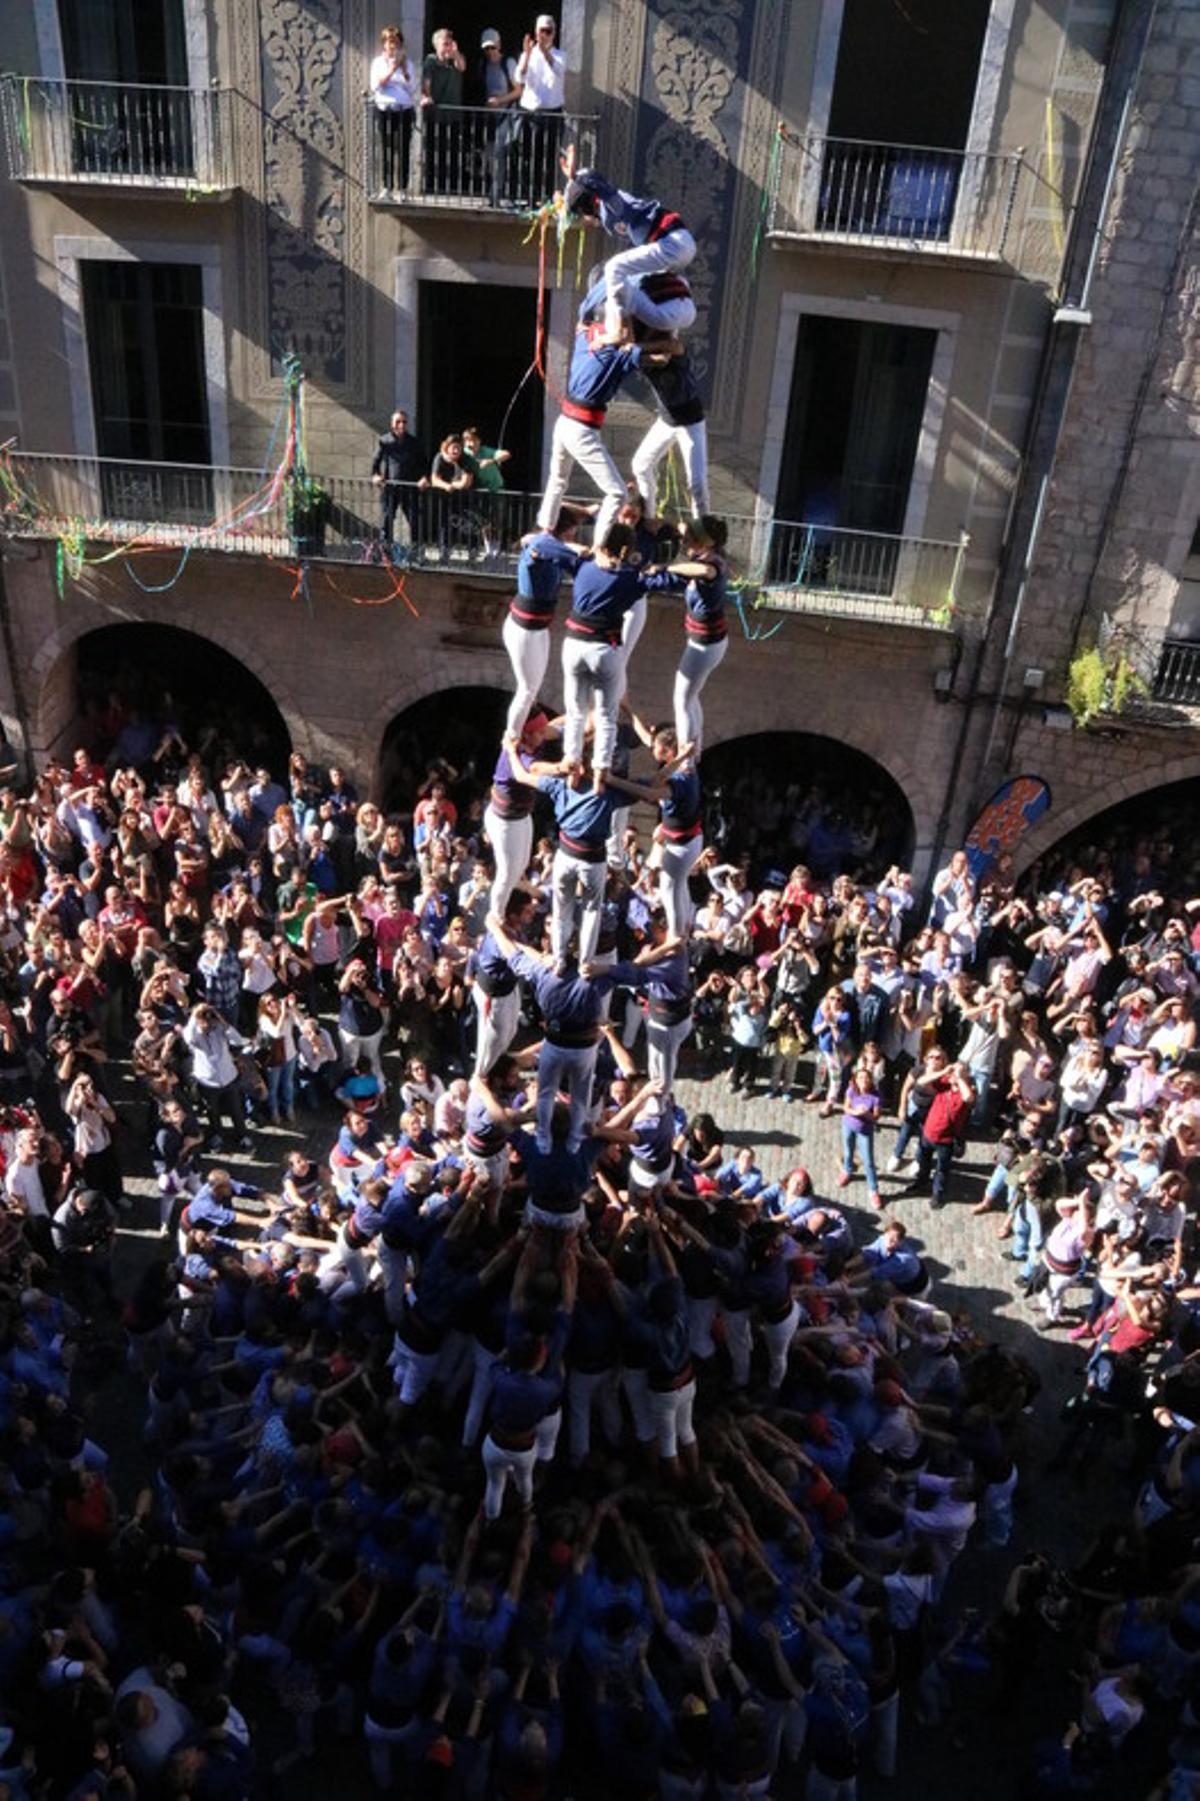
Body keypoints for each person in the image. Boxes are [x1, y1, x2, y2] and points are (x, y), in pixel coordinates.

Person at [537, 317, 682, 543]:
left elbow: (586, 324)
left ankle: (545, 527)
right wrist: (659, 342)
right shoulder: (617, 356)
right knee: (616, 493)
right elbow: (662, 359)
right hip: (581, 428)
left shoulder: (587, 340)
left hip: (564, 421)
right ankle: (599, 546)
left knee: (558, 479)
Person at [563, 165, 698, 340]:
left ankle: (617, 324)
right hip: (675, 243)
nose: (584, 220)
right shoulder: (607, 215)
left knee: (613, 268)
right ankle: (671, 323)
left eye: (581, 214)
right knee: (646, 278)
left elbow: (606, 191)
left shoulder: (611, 204)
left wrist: (578, 178)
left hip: (671, 243)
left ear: (585, 207)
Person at [503, 509, 586, 737]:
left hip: (538, 628)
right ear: (563, 531)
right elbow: (568, 552)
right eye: (571, 533)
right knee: (527, 690)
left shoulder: (547, 545)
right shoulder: (540, 545)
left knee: (533, 689)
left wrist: (585, 511)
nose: (573, 537)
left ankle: (522, 733)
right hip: (523, 629)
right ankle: (511, 738)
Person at [667, 515, 730, 757]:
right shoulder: (708, 553)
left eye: (691, 540)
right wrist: (668, 521)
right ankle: (697, 750)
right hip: (707, 641)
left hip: (704, 645)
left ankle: (686, 757)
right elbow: (684, 528)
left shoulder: (713, 565)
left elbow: (703, 570)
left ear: (706, 543)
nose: (685, 543)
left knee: (681, 699)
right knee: (691, 696)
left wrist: (667, 568)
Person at [510, 15, 566, 202]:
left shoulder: (560, 55)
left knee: (548, 158)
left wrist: (544, 52)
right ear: (536, 32)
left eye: (548, 31)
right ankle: (528, 196)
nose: (545, 35)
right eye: (542, 31)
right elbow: (519, 78)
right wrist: (527, 55)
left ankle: (547, 196)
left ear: (554, 34)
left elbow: (558, 71)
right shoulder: (527, 55)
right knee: (527, 156)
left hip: (551, 112)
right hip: (530, 112)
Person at [371, 409, 430, 552]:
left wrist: (424, 478)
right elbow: (376, 462)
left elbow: (424, 464)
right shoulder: (384, 441)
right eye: (398, 422)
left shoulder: (414, 442)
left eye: (404, 422)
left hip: (410, 488)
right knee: (387, 520)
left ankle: (417, 552)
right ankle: (385, 552)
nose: (401, 425)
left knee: (415, 521)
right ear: (392, 424)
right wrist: (375, 475)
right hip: (391, 488)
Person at [369, 24, 418, 194]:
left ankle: (403, 188)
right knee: (387, 148)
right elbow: (375, 85)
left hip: (404, 109)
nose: (393, 46)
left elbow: (412, 89)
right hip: (385, 110)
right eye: (390, 42)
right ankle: (387, 187)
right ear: (384, 44)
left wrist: (404, 71)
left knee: (403, 149)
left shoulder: (408, 64)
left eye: (396, 43)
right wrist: (391, 70)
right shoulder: (378, 63)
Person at [421, 27, 467, 193]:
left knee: (454, 153)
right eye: (445, 44)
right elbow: (426, 83)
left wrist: (455, 54)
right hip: (436, 115)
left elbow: (462, 67)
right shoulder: (431, 61)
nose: (448, 47)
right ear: (436, 45)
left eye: (450, 43)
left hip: (454, 115)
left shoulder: (455, 59)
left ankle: (453, 187)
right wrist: (427, 96)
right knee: (436, 152)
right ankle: (434, 186)